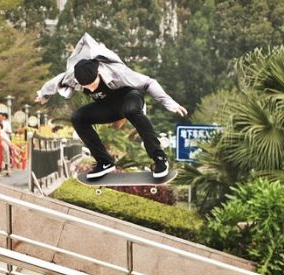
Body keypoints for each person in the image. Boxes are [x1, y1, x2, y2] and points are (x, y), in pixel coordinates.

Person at [35, 33, 187, 180]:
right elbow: (56, 81)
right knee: (78, 118)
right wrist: (43, 94)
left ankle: (159, 158)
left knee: (131, 110)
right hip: (107, 106)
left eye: (93, 84)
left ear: (98, 74)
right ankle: (105, 161)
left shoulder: (117, 72)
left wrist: (168, 102)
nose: (92, 89)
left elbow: (149, 82)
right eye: (86, 87)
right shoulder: (73, 76)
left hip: (130, 98)